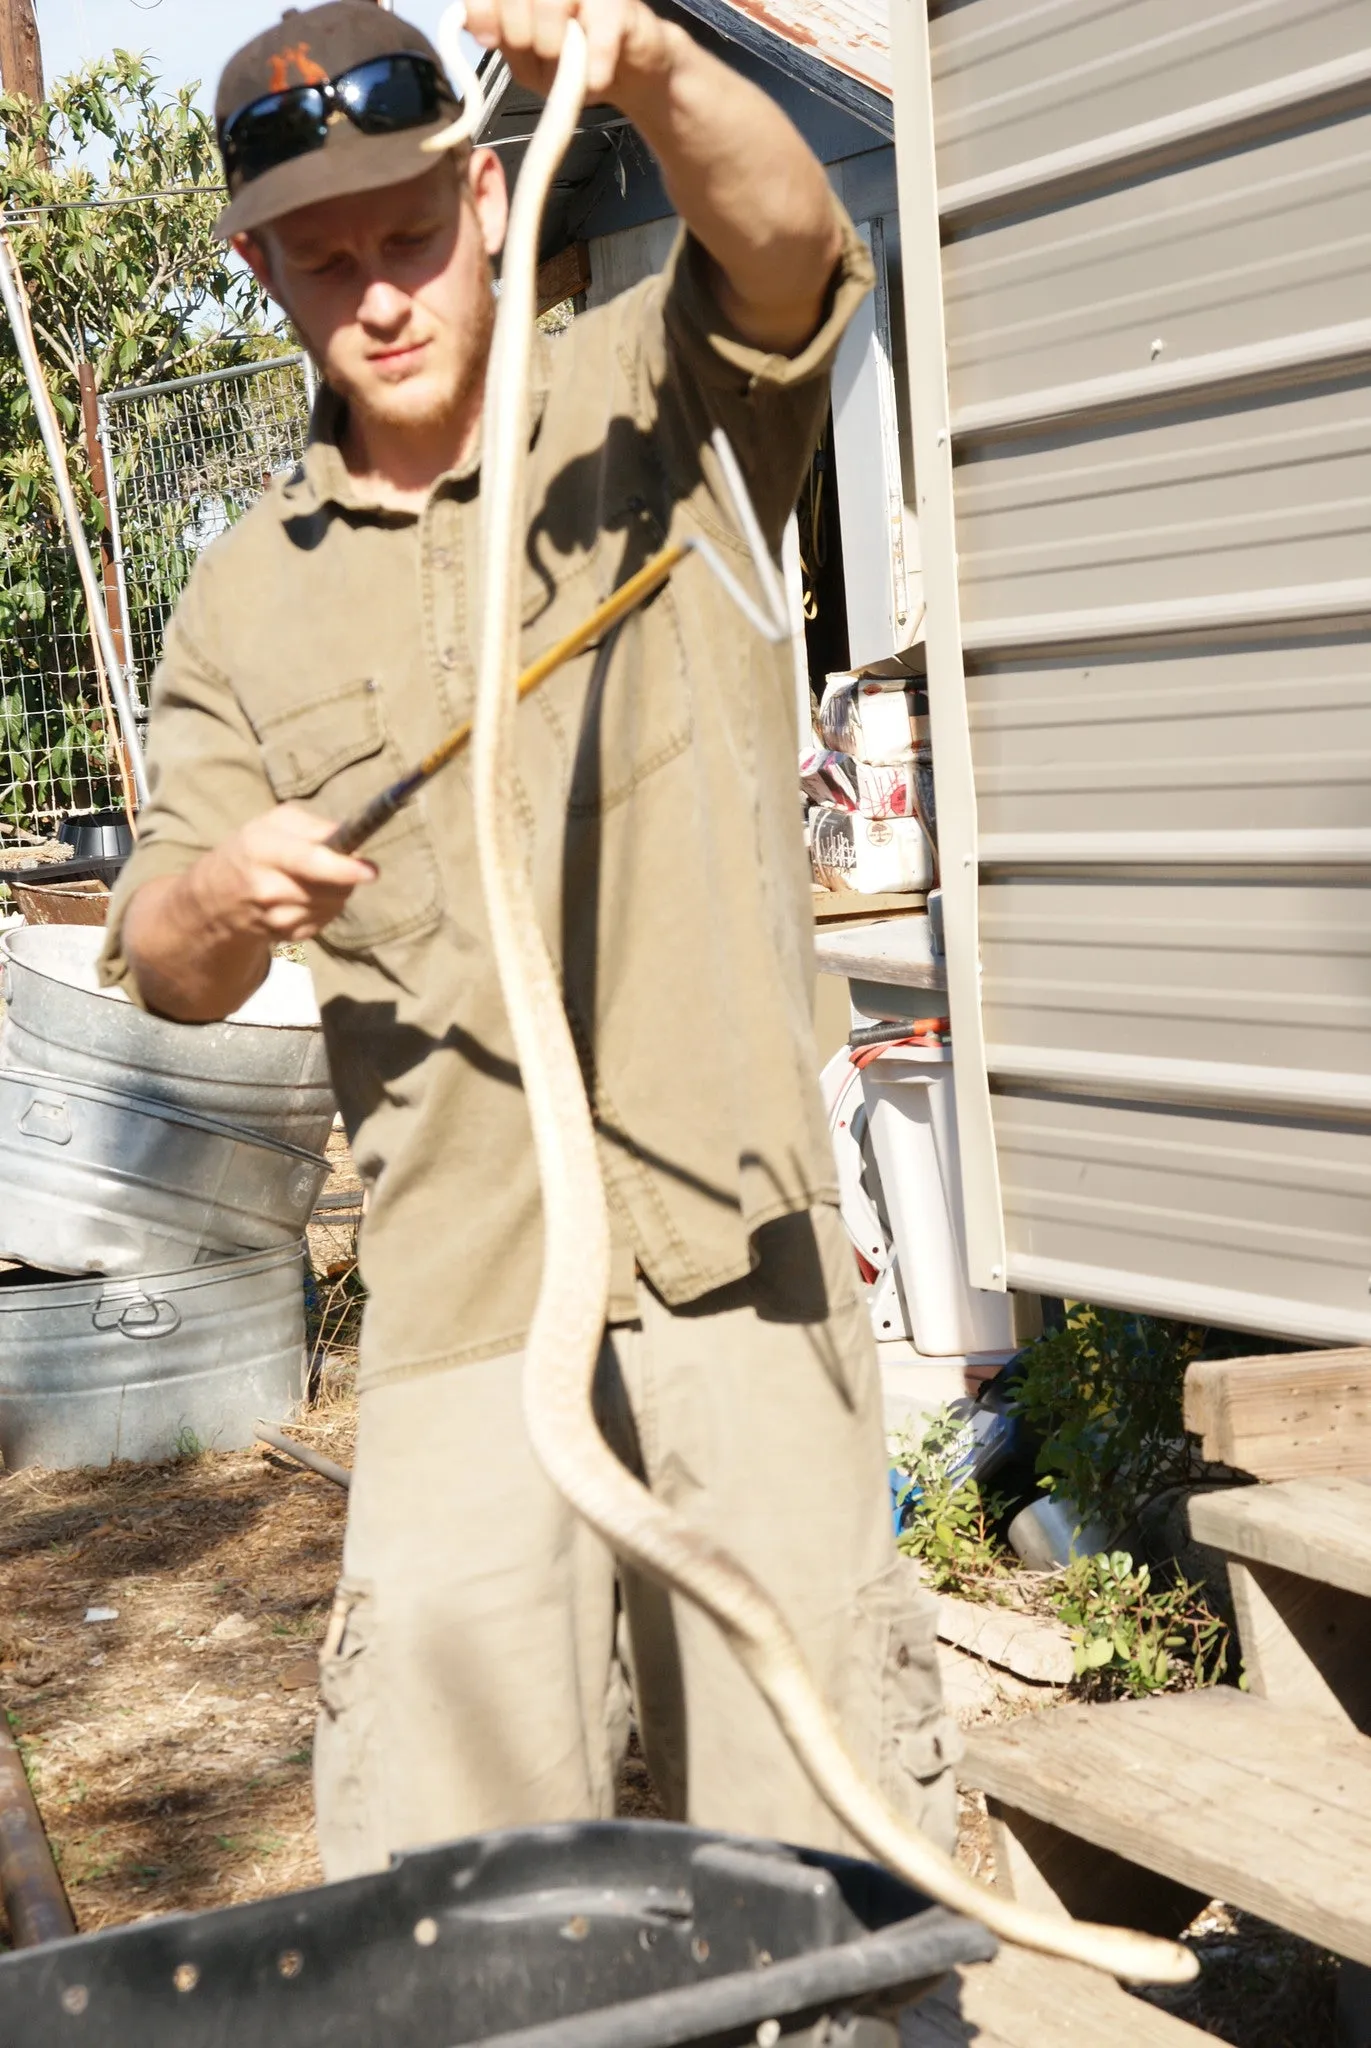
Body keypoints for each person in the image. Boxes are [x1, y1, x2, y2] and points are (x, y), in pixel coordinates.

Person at [99, 0, 959, 1878]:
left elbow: (798, 245)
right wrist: (220, 894)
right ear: (260, 274)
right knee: (462, 1889)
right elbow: (165, 953)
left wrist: (649, 64)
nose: (381, 295)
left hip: (745, 1268)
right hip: (467, 1316)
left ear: (485, 199)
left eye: (409, 234)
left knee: (819, 1867)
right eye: (324, 262)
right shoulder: (246, 603)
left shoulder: (659, 401)